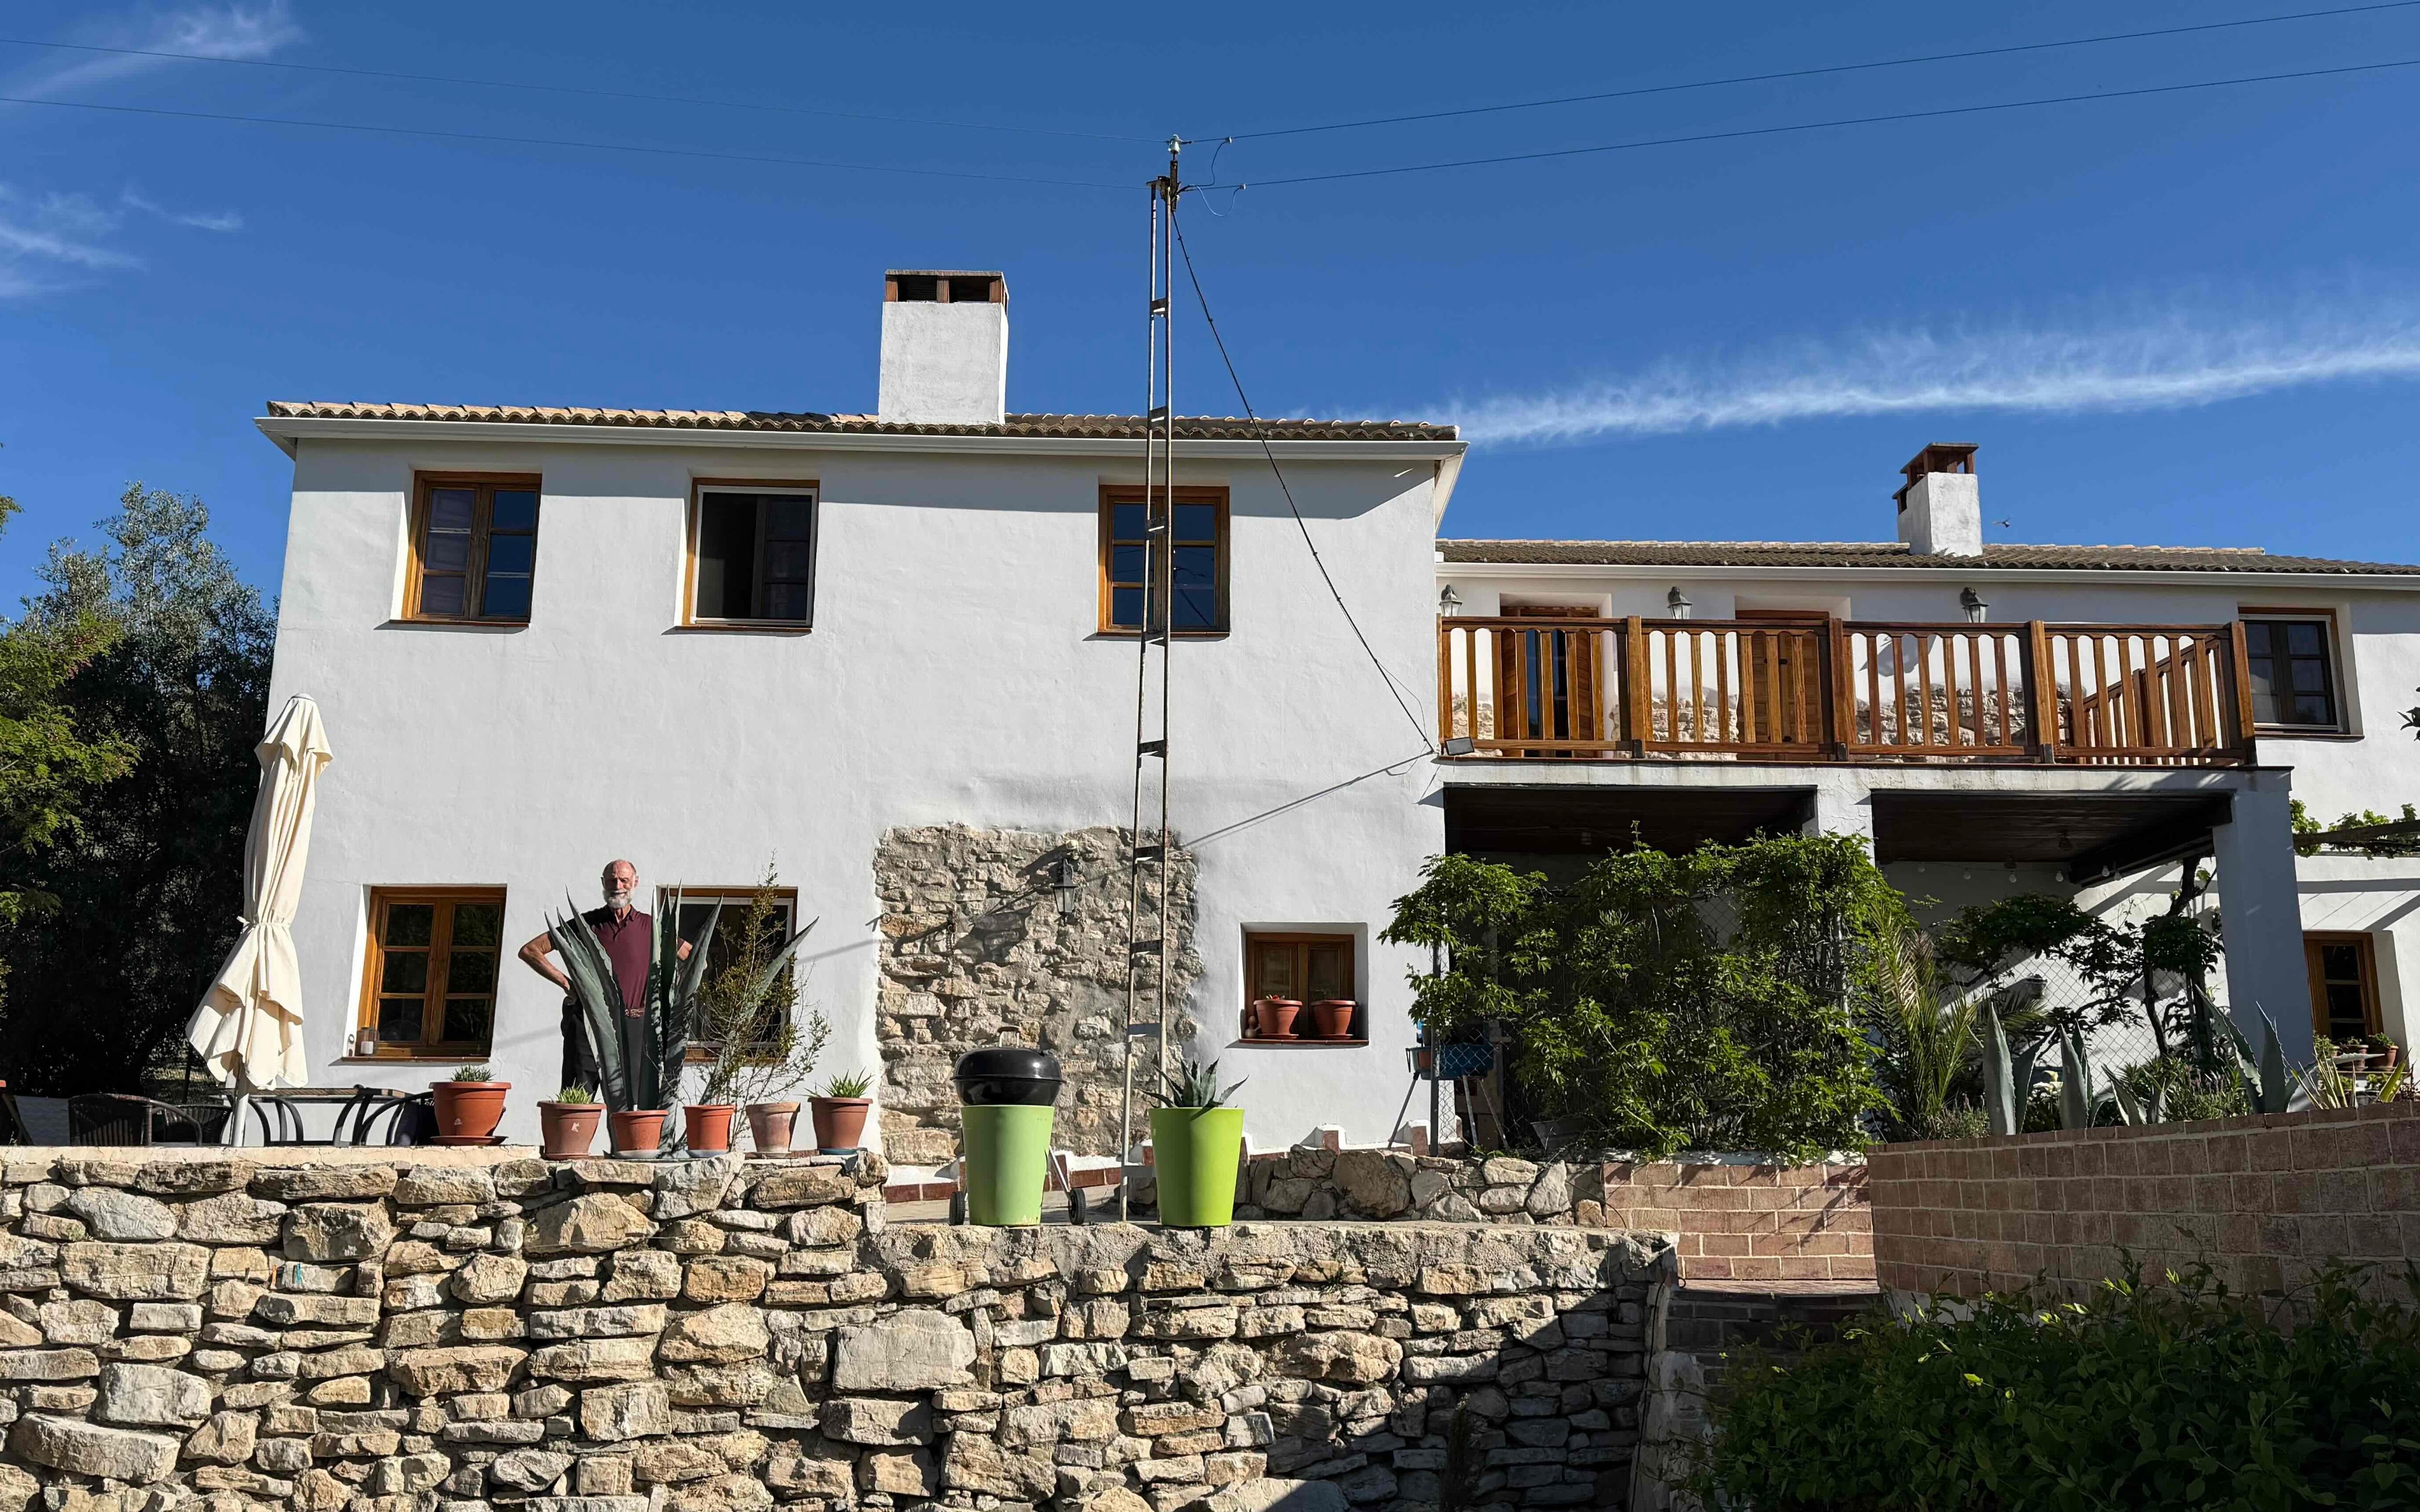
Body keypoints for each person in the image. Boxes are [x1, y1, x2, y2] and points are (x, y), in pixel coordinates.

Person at [519, 859, 689, 1092]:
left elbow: (693, 959)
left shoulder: (652, 927)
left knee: (634, 1110)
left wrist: (670, 998)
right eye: (612, 880)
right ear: (603, 883)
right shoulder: (586, 925)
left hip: (637, 1029)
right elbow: (530, 950)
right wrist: (567, 985)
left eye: (624, 880)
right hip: (588, 1026)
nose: (617, 885)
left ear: (635, 883)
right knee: (577, 1102)